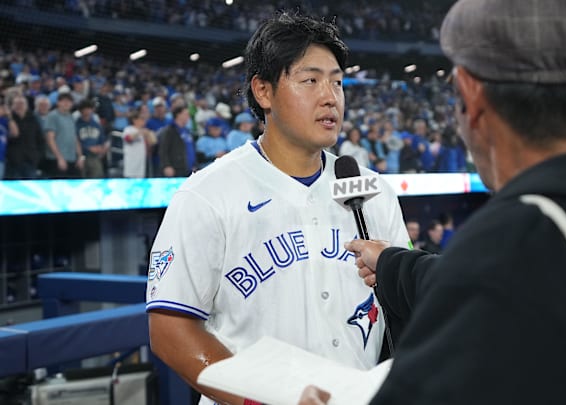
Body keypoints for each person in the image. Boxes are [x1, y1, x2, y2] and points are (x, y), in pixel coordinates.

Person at [301, 0, 566, 404]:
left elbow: (498, 282)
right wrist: (394, 262)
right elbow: (503, 284)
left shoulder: (514, 242)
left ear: (471, 95)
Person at [146, 11, 410, 405]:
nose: (330, 96)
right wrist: (262, 399)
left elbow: (406, 307)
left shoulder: (372, 190)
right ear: (263, 91)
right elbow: (170, 329)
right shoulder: (208, 193)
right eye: (310, 80)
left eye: (337, 82)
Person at [42, 92, 84, 178]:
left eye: (69, 101)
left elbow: (75, 138)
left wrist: (80, 157)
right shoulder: (52, 116)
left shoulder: (71, 117)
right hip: (56, 159)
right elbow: (50, 139)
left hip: (71, 158)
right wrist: (59, 158)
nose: (67, 103)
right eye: (64, 101)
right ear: (58, 102)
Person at [7, 94, 44, 179]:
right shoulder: (8, 120)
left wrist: (37, 156)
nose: (19, 106)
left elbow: (40, 140)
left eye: (22, 103)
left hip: (30, 159)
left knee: (31, 187)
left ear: (26, 105)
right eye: (17, 104)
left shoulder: (33, 119)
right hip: (13, 161)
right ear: (12, 106)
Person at [157, 105, 195, 177]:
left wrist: (195, 164)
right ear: (178, 115)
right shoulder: (169, 131)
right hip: (175, 169)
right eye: (186, 114)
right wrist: (166, 165)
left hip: (189, 169)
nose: (188, 117)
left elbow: (192, 149)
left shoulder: (187, 131)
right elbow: (163, 149)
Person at [76, 98, 109, 178]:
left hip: (94, 157)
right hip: (81, 156)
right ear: (81, 111)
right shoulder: (76, 124)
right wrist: (88, 148)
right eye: (85, 109)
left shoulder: (96, 125)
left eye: (89, 109)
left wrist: (101, 148)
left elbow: (102, 141)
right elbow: (75, 141)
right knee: (81, 179)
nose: (87, 111)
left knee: (97, 177)